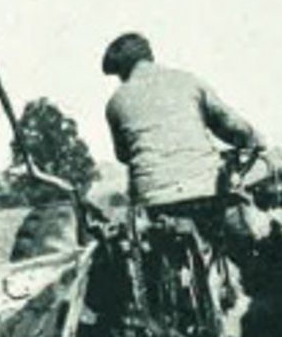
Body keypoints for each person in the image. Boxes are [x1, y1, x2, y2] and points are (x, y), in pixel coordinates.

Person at [102, 32, 265, 211]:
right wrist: (253, 138)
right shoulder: (187, 81)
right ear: (149, 56)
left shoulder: (115, 102)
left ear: (122, 69)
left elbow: (124, 155)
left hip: (152, 200)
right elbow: (229, 125)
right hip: (205, 189)